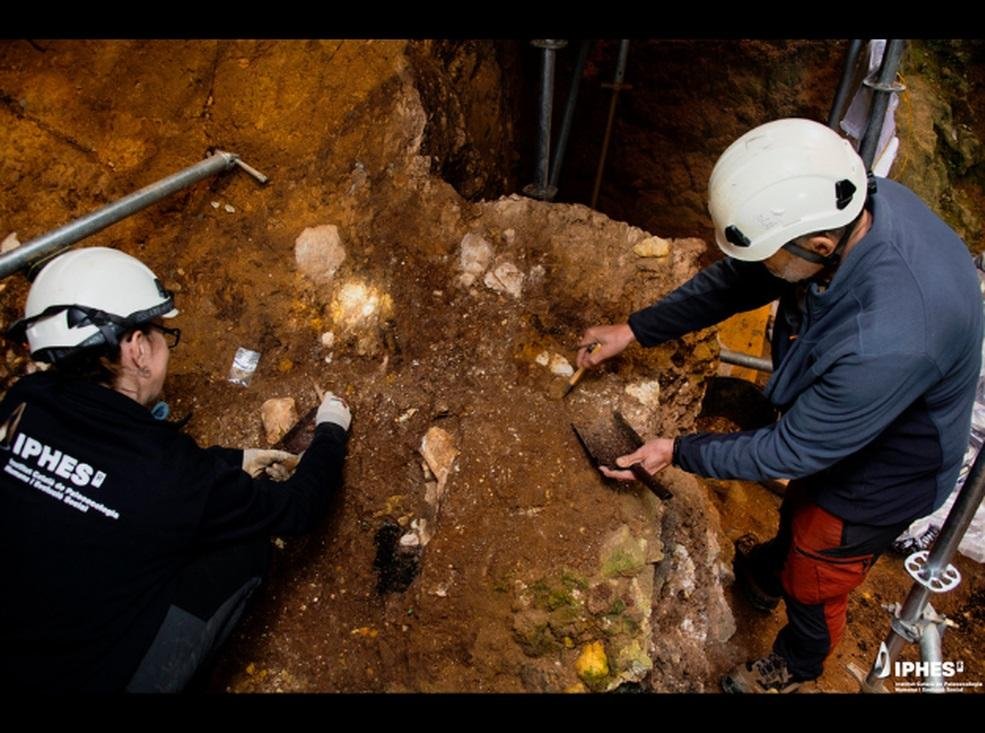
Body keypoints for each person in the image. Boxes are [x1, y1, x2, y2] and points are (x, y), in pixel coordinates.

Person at [576, 118, 983, 693]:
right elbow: (736, 283)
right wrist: (635, 330)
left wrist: (678, 450)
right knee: (801, 513)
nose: (765, 268)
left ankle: (798, 663)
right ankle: (769, 574)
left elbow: (791, 449)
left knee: (820, 559)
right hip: (852, 413)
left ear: (819, 247)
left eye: (772, 255)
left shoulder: (888, 337)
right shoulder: (850, 206)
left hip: (891, 470)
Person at [0, 247, 351, 693]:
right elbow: (298, 509)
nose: (166, 342)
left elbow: (111, 472)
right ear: (136, 348)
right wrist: (331, 432)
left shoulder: (21, 405)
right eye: (162, 332)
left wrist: (232, 460)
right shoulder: (167, 474)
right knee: (246, 549)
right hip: (89, 679)